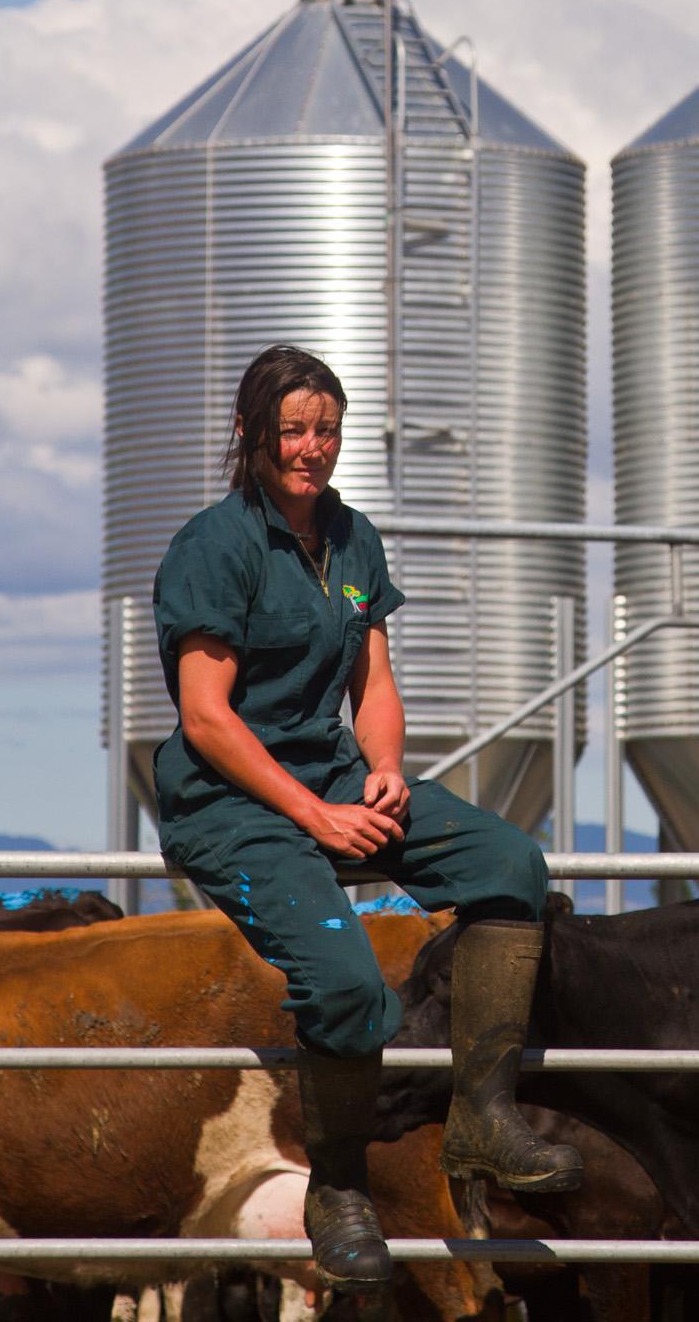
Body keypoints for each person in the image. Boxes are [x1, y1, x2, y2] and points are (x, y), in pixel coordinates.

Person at [151, 343, 580, 1298]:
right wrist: (315, 814)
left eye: (327, 430)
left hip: (338, 779)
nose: (312, 448)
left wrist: (384, 770)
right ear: (251, 436)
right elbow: (207, 718)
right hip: (235, 807)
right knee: (348, 985)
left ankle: (482, 1114)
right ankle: (339, 1189)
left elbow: (374, 679)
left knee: (511, 863)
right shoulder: (215, 545)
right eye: (293, 431)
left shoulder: (354, 539)